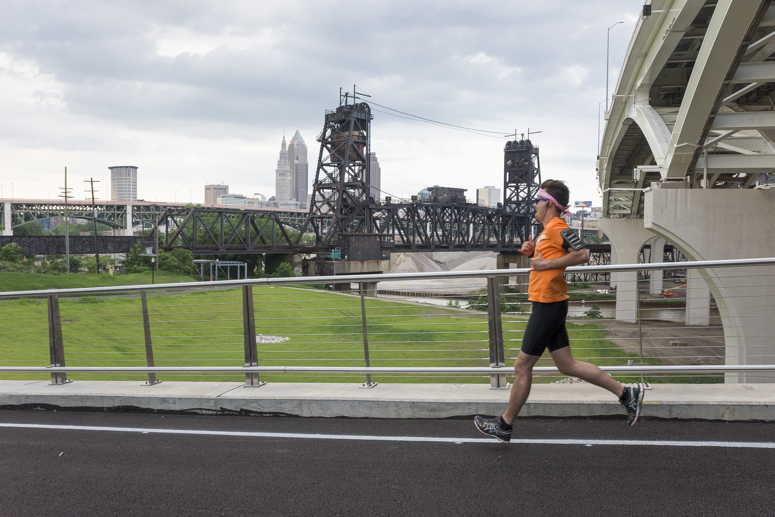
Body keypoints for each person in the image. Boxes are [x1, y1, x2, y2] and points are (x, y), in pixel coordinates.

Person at [474, 179, 644, 443]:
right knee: (567, 365)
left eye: (538, 200)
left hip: (548, 305)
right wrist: (534, 255)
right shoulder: (546, 231)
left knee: (521, 366)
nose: (534, 204)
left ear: (549, 205)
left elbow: (582, 254)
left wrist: (545, 263)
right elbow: (546, 264)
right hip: (550, 303)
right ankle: (626, 394)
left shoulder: (558, 228)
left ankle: (504, 425)